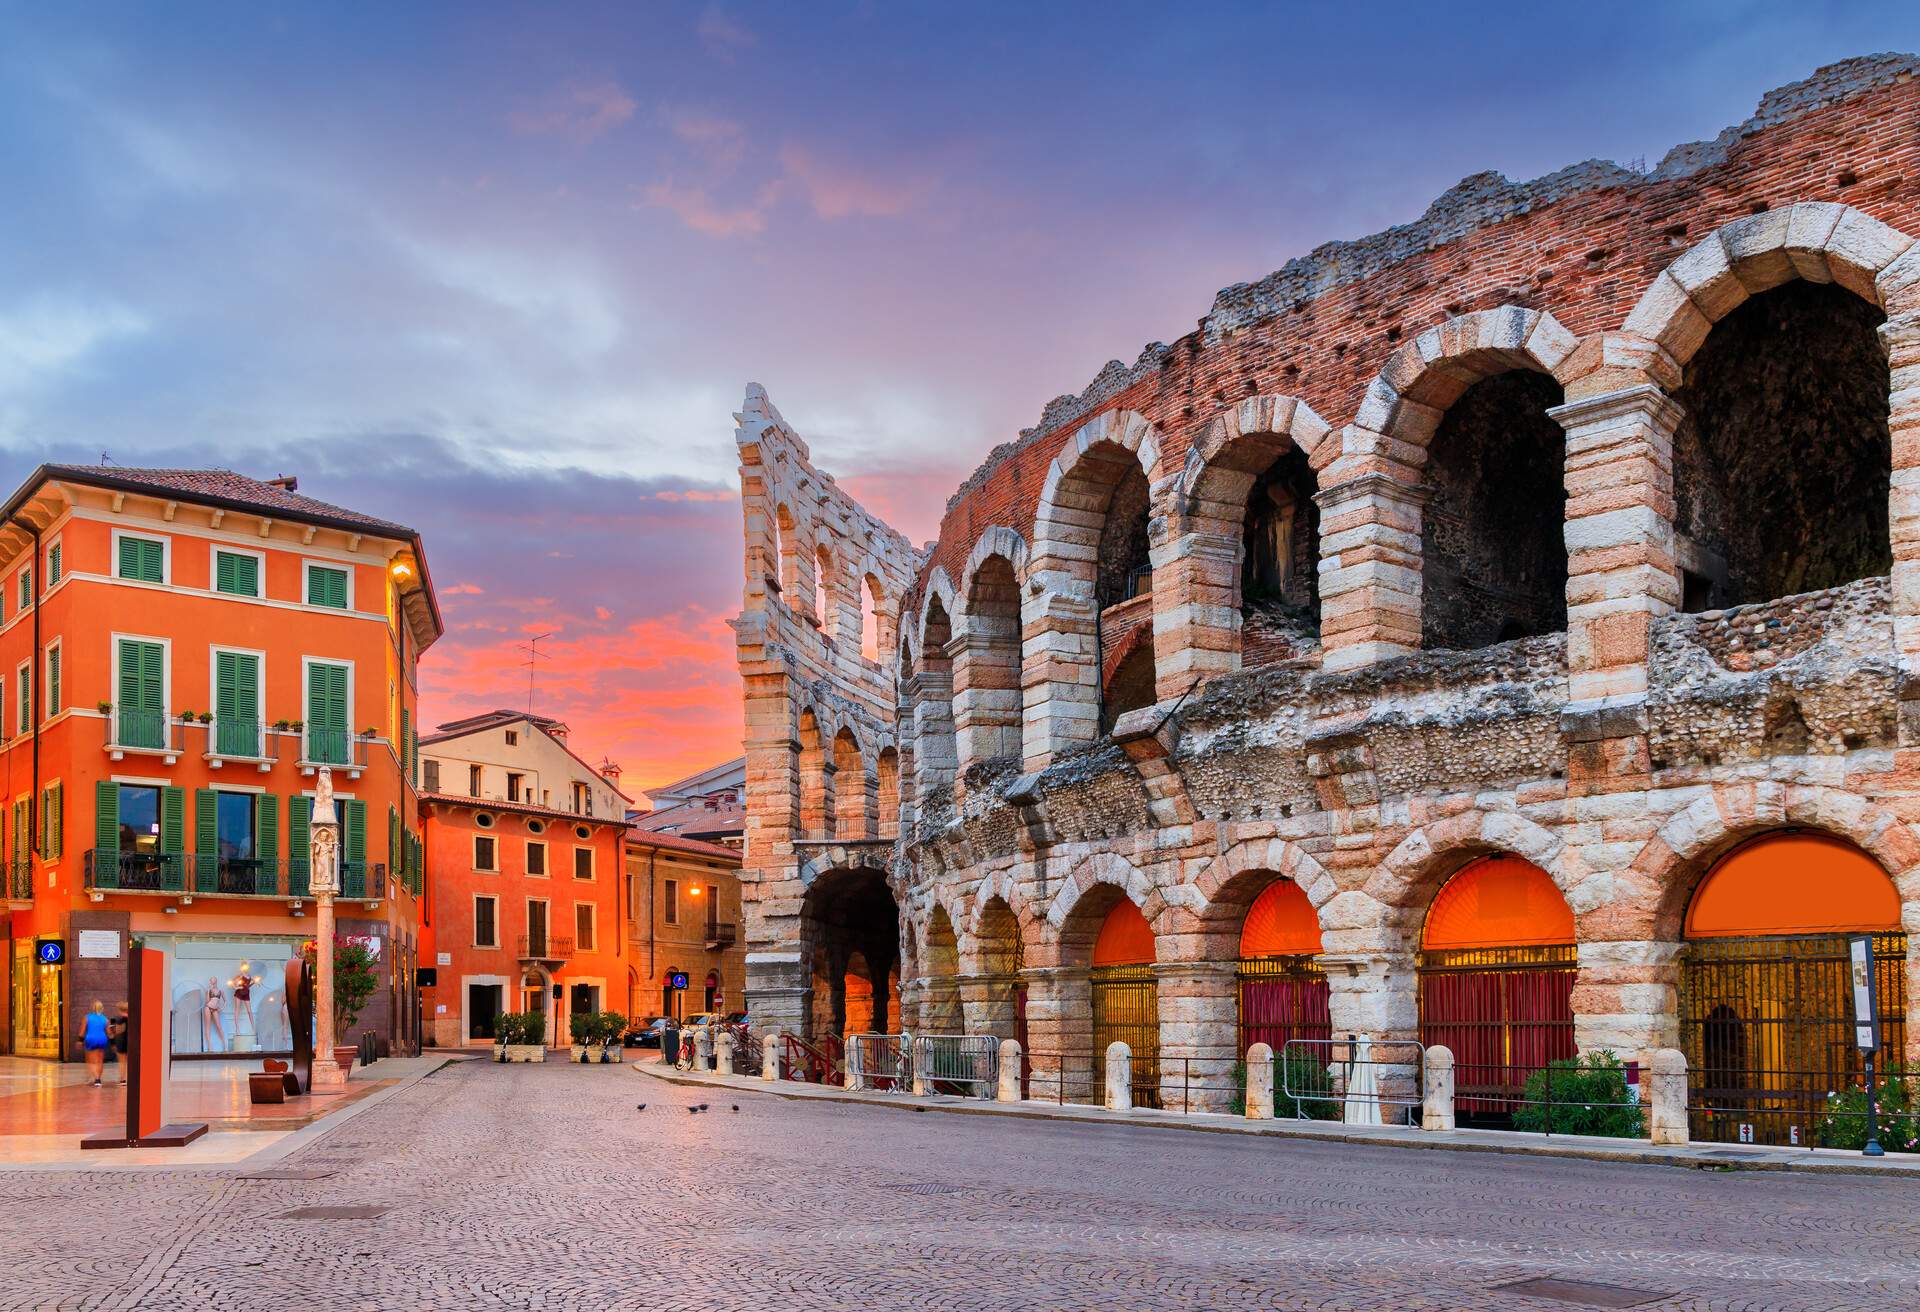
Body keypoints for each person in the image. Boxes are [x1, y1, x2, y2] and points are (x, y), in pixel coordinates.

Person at [81, 1002, 111, 1086]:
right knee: (100, 1060)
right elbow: (109, 1032)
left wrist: (80, 1041)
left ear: (93, 1008)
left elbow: (82, 1031)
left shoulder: (87, 1017)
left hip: (91, 1039)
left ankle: (95, 1078)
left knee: (90, 1060)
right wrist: (113, 1043)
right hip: (102, 1039)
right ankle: (98, 1080)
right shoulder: (105, 1019)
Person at [108, 1005, 130, 1085]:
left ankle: (123, 1080)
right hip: (130, 1041)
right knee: (129, 1062)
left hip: (122, 1041)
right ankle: (128, 1079)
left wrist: (113, 1028)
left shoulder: (120, 1019)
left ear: (120, 1010)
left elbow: (120, 1030)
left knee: (122, 1062)